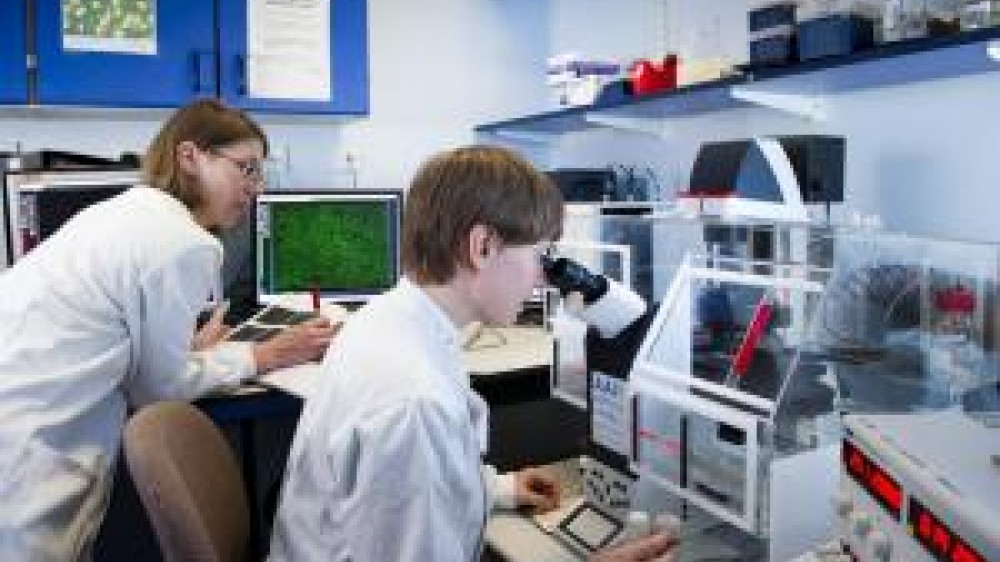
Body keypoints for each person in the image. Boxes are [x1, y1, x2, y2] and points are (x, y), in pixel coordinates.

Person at [268, 145, 679, 562]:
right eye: (540, 257)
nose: (542, 279)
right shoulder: (415, 399)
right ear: (482, 246)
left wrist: (493, 487)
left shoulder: (389, 321)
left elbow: (412, 481)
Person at [0, 99, 336, 561]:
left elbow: (118, 331)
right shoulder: (185, 243)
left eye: (260, 173)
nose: (255, 189)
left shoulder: (126, 212)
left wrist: (186, 349)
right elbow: (158, 389)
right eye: (246, 169)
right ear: (189, 157)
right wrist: (264, 356)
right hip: (31, 449)